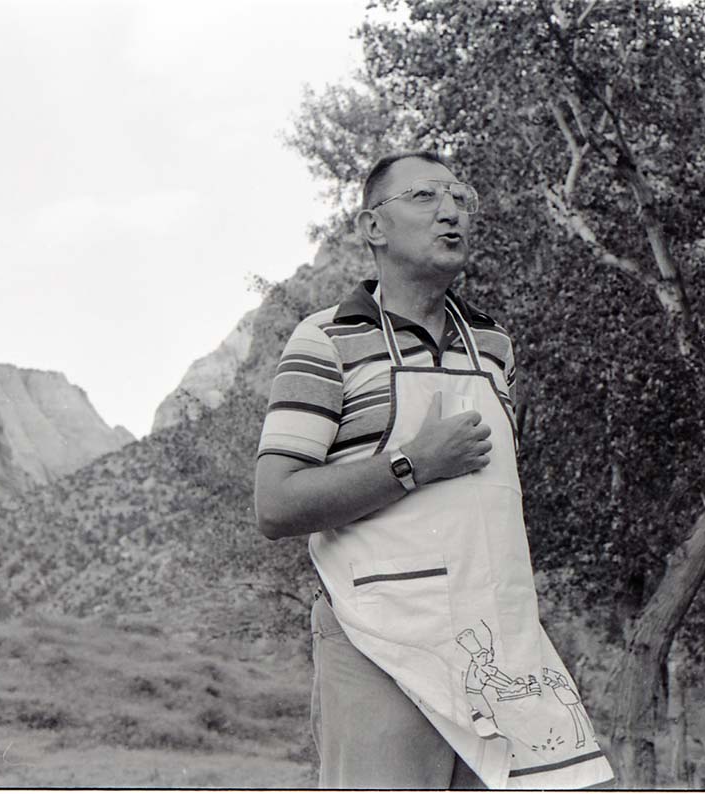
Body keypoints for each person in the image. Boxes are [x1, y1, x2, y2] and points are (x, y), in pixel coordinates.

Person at [253, 151, 614, 789]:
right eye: (424, 197)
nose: (452, 212)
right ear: (373, 226)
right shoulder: (325, 340)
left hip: (497, 639)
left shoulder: (494, 346)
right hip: (379, 639)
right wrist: (412, 464)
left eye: (460, 198)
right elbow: (276, 505)